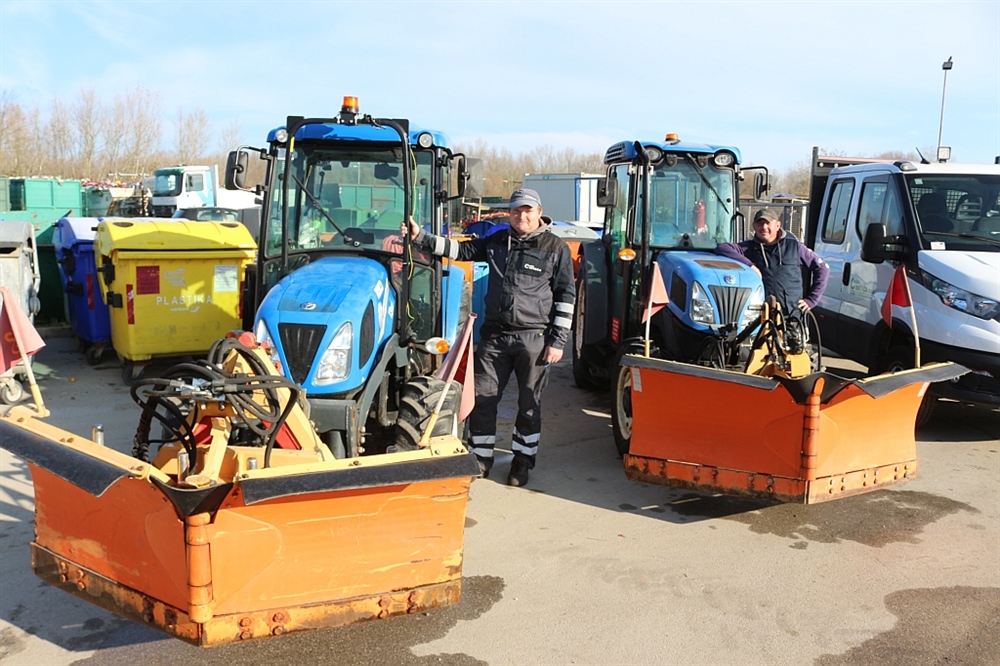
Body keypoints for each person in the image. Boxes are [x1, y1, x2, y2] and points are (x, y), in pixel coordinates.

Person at [404, 188, 575, 487]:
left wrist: (557, 341)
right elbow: (461, 250)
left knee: (528, 402)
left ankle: (522, 461)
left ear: (538, 212)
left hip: (534, 339)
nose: (521, 216)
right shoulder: (498, 241)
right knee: (483, 399)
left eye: (527, 210)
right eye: (515, 211)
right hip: (495, 338)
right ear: (509, 213)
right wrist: (422, 238)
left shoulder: (555, 247)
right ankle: (481, 457)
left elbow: (566, 296)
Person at [715, 209, 830, 315]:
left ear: (778, 225)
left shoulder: (794, 247)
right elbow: (722, 248)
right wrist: (751, 265)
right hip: (759, 315)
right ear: (754, 226)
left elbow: (823, 268)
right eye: (760, 223)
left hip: (791, 315)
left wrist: (811, 300)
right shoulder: (748, 248)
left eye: (768, 223)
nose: (764, 227)